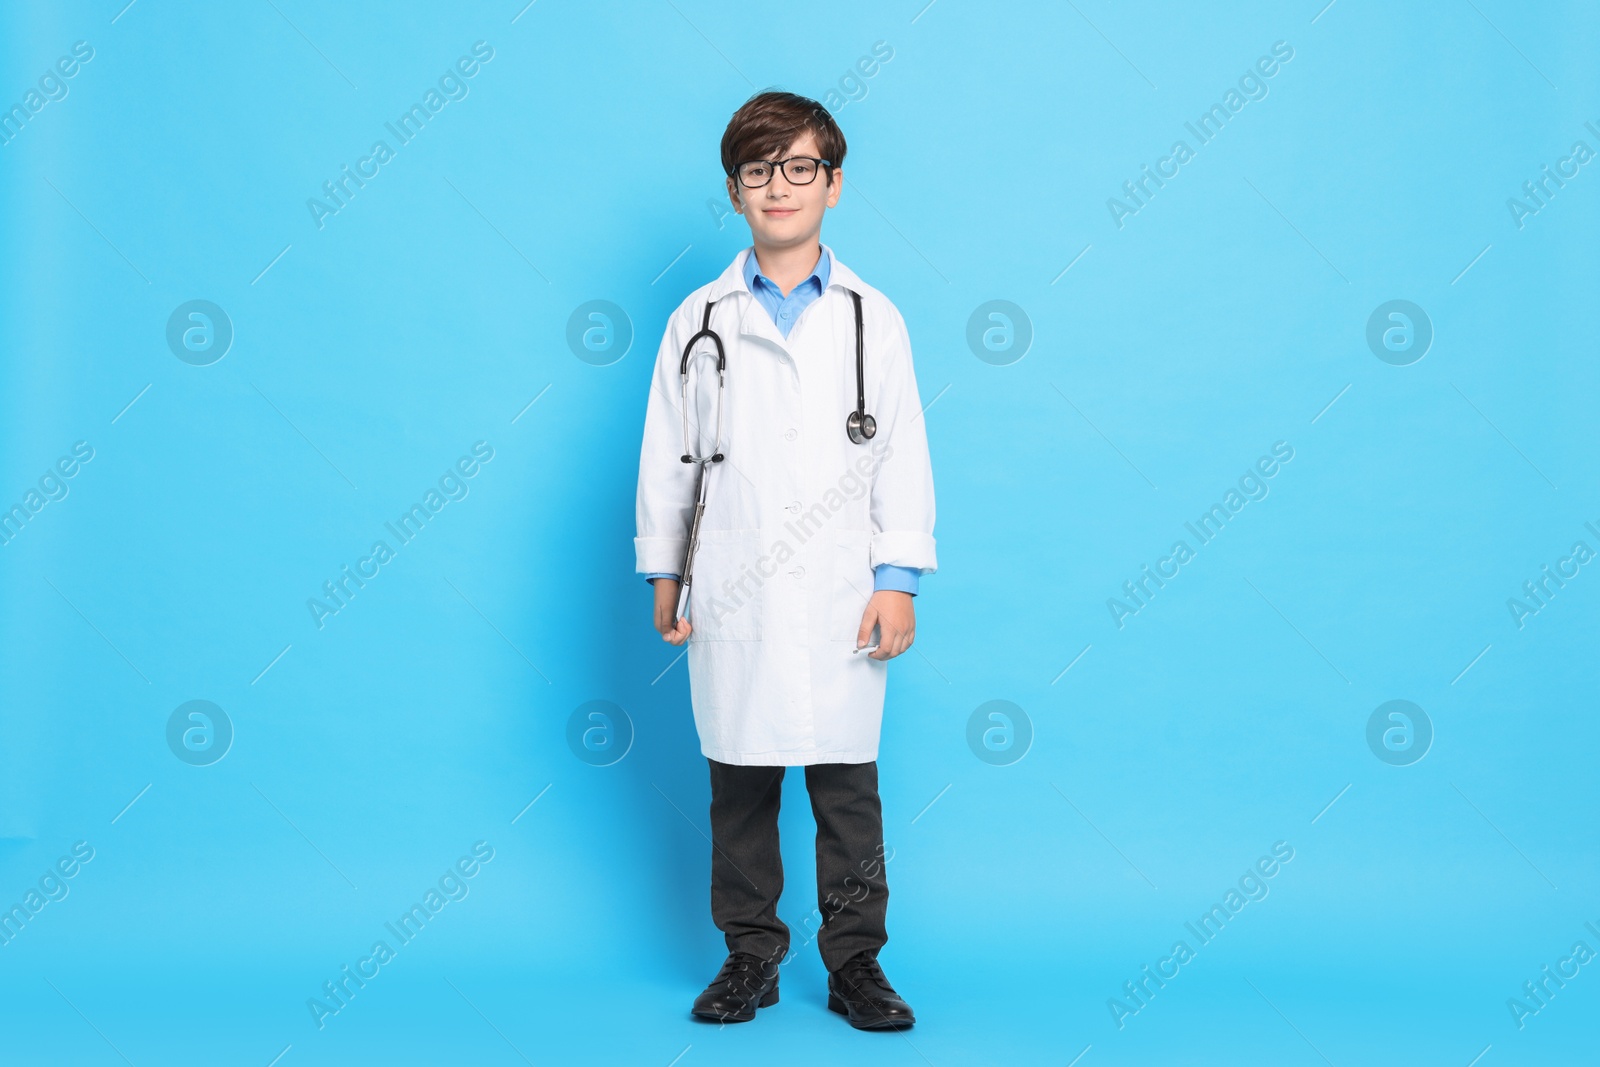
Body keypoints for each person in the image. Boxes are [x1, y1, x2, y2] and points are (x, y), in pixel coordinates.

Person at [633, 90, 936, 1031]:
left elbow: (902, 451)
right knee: (741, 780)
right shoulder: (698, 319)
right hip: (735, 586)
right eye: (759, 170)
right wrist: (668, 573)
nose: (780, 186)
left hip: (844, 591)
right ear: (735, 190)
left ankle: (856, 966)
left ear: (833, 185)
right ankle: (750, 956)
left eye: (800, 167)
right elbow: (670, 454)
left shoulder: (870, 318)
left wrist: (896, 580)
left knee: (848, 789)